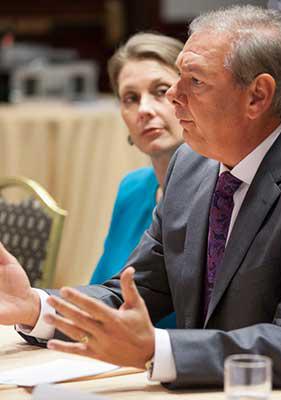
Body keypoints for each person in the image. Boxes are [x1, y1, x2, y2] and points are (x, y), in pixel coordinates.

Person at [0, 5, 281, 397]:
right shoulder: (192, 167)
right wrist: (35, 306)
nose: (174, 95)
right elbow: (135, 291)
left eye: (194, 81)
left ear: (257, 96)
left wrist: (157, 349)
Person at [88, 32, 184, 328]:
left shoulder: (224, 192)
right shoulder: (132, 188)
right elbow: (101, 291)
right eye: (131, 98)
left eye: (161, 91)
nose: (144, 109)